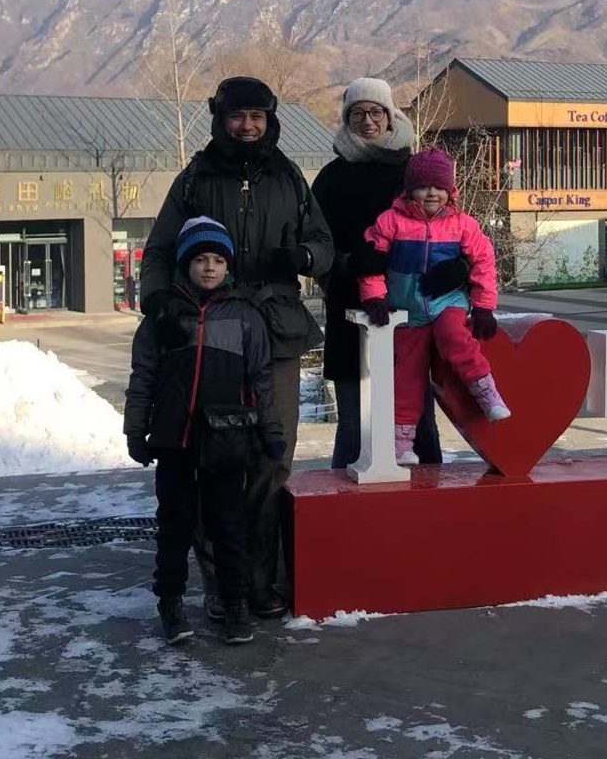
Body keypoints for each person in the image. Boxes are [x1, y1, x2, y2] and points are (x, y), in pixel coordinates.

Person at [140, 75, 333, 622]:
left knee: (273, 459)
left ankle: (259, 581)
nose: (248, 126)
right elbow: (158, 249)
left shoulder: (288, 175)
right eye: (237, 116)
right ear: (220, 118)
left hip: (276, 330)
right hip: (209, 331)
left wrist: (300, 258)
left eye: (258, 116)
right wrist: (158, 303)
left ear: (271, 119)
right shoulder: (196, 177)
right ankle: (221, 584)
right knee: (213, 460)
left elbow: (324, 245)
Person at [124, 217, 286, 646]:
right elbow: (142, 377)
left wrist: (270, 432)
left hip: (228, 442)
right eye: (200, 259)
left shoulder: (245, 318)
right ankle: (171, 603)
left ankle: (234, 605)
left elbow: (261, 380)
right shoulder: (163, 316)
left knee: (229, 525)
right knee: (174, 525)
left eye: (218, 260)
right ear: (185, 263)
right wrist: (135, 431)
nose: (210, 268)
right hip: (174, 441)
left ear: (229, 266)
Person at [311, 78, 449, 469]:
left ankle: (432, 510)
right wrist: (347, 267)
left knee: (418, 425)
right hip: (351, 312)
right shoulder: (331, 178)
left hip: (412, 312)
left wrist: (451, 269)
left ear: (390, 115)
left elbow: (447, 224)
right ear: (346, 118)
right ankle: (344, 517)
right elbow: (317, 242)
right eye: (358, 113)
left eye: (375, 112)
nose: (368, 120)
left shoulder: (413, 172)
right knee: (354, 429)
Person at [357, 148, 509, 463]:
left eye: (439, 187)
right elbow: (371, 262)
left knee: (455, 337)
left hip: (447, 302)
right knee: (407, 377)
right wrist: (374, 296)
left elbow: (483, 261)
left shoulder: (462, 224)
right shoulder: (391, 221)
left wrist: (482, 306)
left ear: (450, 190)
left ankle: (485, 391)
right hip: (408, 310)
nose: (432, 193)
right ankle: (401, 443)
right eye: (424, 186)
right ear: (410, 188)